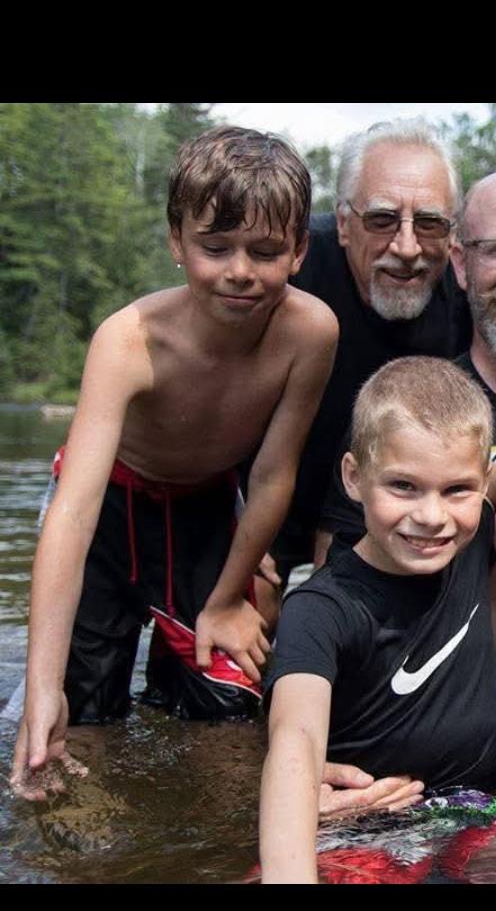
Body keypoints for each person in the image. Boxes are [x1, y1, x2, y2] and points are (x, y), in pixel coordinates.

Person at [10, 127, 339, 799]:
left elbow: (273, 473)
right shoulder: (128, 340)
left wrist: (226, 599)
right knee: (81, 716)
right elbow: (73, 511)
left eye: (266, 251)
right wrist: (43, 686)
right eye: (215, 248)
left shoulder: (311, 332)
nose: (240, 271)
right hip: (109, 511)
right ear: (177, 242)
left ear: (300, 250)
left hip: (205, 509)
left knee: (225, 706)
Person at [258, 357, 496, 884]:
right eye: (403, 486)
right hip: (364, 831)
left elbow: (489, 483)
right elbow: (296, 738)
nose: (431, 516)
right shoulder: (320, 608)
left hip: (467, 815)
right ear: (354, 478)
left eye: (456, 490)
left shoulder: (466, 537)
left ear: (481, 483)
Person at [314, 166, 496, 804]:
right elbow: (341, 603)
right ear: (462, 264)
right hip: (433, 765)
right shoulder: (404, 413)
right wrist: (314, 762)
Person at [277, 119, 471, 580]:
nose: (406, 247)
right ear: (345, 224)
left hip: (396, 532)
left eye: (429, 223)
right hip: (262, 516)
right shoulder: (285, 269)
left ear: (452, 234)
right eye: (382, 220)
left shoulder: (468, 298)